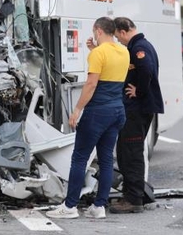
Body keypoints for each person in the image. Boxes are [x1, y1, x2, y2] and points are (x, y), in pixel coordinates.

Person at [46, 17, 129, 220]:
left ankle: (70, 206)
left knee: (80, 158)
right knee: (106, 158)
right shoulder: (123, 51)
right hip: (117, 110)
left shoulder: (99, 53)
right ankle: (99, 206)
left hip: (98, 112)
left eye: (94, 32)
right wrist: (95, 50)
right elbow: (109, 68)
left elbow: (91, 84)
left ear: (98, 31)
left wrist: (76, 110)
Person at [109, 16, 164, 214]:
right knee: (125, 151)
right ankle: (132, 195)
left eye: (118, 37)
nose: (118, 41)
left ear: (123, 32)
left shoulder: (139, 48)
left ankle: (134, 200)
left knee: (131, 153)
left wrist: (138, 91)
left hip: (138, 109)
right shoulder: (138, 46)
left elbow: (147, 69)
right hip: (136, 110)